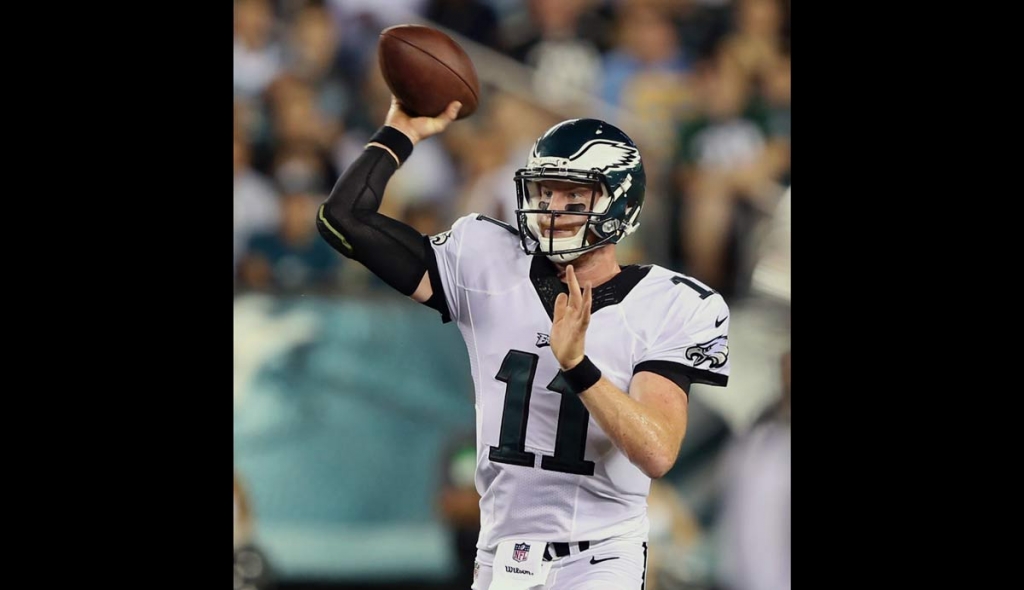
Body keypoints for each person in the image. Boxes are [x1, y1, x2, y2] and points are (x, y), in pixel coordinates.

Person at [315, 97, 731, 590]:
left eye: (572, 196)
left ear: (619, 203)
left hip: (599, 556)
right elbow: (344, 220)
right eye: (545, 191)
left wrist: (579, 367)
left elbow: (657, 451)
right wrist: (398, 132)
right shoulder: (487, 261)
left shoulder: (670, 303)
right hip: (501, 554)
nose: (553, 209)